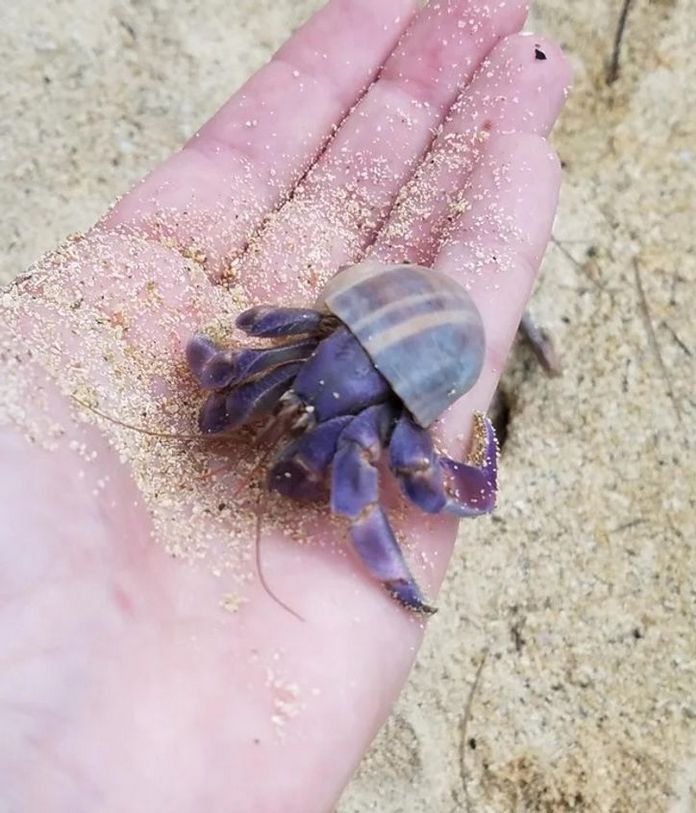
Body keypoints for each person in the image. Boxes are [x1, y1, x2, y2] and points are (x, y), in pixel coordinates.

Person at [0, 0, 570, 809]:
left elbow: (423, 485)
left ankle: (393, 577)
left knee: (354, 468)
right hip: (356, 329)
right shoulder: (308, 343)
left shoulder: (370, 420)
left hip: (402, 352)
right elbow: (240, 343)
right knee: (266, 382)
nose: (290, 417)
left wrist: (435, 522)